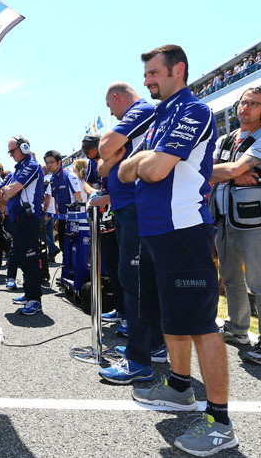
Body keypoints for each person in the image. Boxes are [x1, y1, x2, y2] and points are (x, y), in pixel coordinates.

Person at [119, 45, 237, 456]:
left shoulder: (194, 111)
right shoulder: (158, 116)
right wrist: (143, 161)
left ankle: (221, 423)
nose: (148, 81)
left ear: (178, 70)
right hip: (155, 233)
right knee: (171, 319)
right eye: (146, 74)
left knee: (203, 326)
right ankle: (179, 387)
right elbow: (121, 168)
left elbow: (150, 170)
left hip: (184, 233)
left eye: (153, 73)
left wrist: (144, 161)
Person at [94, 81, 165, 384]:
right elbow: (100, 167)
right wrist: (109, 160)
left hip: (137, 208)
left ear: (117, 97)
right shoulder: (138, 116)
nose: (111, 112)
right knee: (138, 280)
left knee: (134, 280)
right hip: (129, 209)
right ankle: (153, 344)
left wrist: (110, 157)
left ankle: (138, 359)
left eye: (111, 107)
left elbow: (105, 149)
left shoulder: (141, 110)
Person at [210, 87, 261, 365]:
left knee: (258, 280)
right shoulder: (225, 138)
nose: (246, 108)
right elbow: (217, 171)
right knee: (230, 278)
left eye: (254, 104)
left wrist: (229, 172)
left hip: (253, 219)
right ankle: (238, 329)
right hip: (223, 217)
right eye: (243, 102)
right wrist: (232, 174)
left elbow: (225, 170)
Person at [0, 136, 45, 315]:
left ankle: (35, 299)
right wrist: (6, 192)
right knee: (22, 258)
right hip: (17, 219)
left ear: (24, 148)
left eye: (12, 151)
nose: (10, 155)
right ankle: (28, 293)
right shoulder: (16, 170)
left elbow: (10, 190)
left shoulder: (32, 166)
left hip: (28, 218)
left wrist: (7, 192)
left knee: (30, 258)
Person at [43, 150, 82, 253]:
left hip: (74, 219)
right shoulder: (52, 179)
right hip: (62, 218)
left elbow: (78, 198)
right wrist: (57, 219)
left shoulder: (69, 175)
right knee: (63, 247)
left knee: (74, 249)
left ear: (59, 162)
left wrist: (78, 220)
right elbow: (55, 200)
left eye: (52, 162)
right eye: (47, 163)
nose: (49, 165)